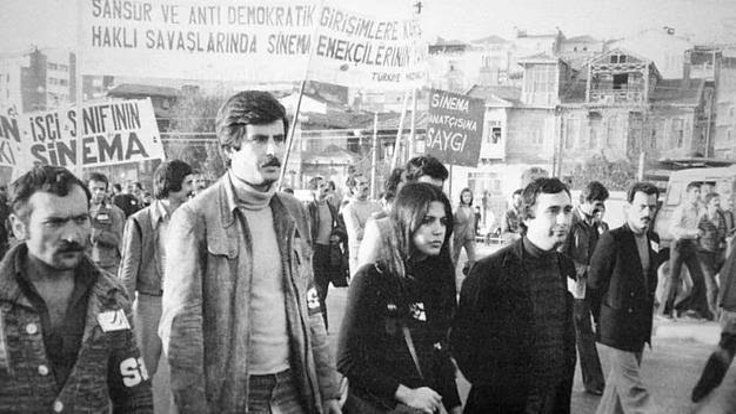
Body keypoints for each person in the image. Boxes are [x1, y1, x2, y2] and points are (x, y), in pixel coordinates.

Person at [159, 91, 340, 413]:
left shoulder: (294, 211)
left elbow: (311, 308)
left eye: (279, 139)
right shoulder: (195, 218)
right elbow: (181, 330)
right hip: (233, 393)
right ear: (229, 149)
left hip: (294, 387)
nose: (273, 151)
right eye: (259, 139)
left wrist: (326, 391)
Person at [0, 165, 153, 412]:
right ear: (18, 227)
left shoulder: (111, 297)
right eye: (54, 222)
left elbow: (135, 396)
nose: (72, 236)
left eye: (81, 220)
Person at [452, 177, 576, 413]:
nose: (563, 220)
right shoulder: (491, 271)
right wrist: (498, 388)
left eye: (567, 210)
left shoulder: (564, 266)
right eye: (553, 211)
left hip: (552, 401)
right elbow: (463, 343)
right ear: (527, 217)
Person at [338, 182, 461, 414]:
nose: (438, 230)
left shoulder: (438, 280)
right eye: (428, 220)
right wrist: (406, 394)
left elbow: (439, 354)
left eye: (443, 221)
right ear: (406, 221)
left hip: (423, 406)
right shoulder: (371, 279)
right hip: (380, 405)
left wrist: (454, 407)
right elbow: (347, 360)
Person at [587, 181, 662, 414]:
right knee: (634, 391)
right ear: (628, 208)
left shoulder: (654, 239)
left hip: (639, 327)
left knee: (617, 392)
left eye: (652, 207)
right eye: (642, 206)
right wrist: (602, 317)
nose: (647, 213)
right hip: (618, 326)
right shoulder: (613, 239)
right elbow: (594, 283)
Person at [119, 160, 194, 387]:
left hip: (183, 302)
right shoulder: (139, 221)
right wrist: (123, 311)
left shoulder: (193, 217)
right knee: (145, 365)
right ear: (172, 185)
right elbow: (129, 269)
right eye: (188, 183)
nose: (192, 189)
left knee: (185, 369)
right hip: (151, 302)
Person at [561, 181, 609, 396]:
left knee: (583, 333)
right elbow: (561, 256)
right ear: (586, 201)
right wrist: (582, 269)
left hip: (592, 285)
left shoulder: (597, 224)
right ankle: (594, 382)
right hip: (574, 287)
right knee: (583, 333)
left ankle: (593, 381)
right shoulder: (572, 221)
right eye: (597, 204)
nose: (600, 208)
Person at [358, 155, 449, 268]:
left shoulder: (441, 230)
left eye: (438, 190)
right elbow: (363, 275)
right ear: (409, 189)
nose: (433, 196)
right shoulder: (382, 230)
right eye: (425, 189)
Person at [692, 243, 736, 405]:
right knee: (725, 351)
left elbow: (725, 273)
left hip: (731, 305)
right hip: (733, 306)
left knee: (725, 350)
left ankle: (701, 394)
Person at [659, 181, 708, 319]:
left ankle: (688, 308)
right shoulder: (681, 209)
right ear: (688, 194)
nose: (698, 195)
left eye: (699, 192)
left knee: (699, 278)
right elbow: (673, 229)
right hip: (679, 245)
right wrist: (692, 232)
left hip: (691, 245)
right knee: (673, 279)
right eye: (695, 191)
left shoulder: (699, 209)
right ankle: (664, 312)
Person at [306, 176, 348, 332]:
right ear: (313, 190)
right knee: (319, 291)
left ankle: (321, 325)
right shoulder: (309, 208)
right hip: (315, 252)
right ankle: (321, 326)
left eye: (325, 185)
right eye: (321, 186)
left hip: (330, 252)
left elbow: (340, 226)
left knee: (323, 290)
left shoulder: (331, 207)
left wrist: (337, 235)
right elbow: (305, 230)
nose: (325, 188)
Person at [341, 173, 382, 276]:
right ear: (353, 189)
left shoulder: (376, 206)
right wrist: (374, 224)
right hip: (359, 257)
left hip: (377, 257)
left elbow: (384, 228)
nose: (366, 186)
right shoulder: (349, 209)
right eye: (361, 184)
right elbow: (357, 234)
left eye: (366, 183)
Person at [87, 172, 126, 276]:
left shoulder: (114, 212)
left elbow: (117, 238)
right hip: (86, 263)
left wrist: (97, 233)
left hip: (108, 265)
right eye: (94, 189)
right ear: (87, 189)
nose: (98, 192)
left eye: (102, 189)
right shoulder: (81, 211)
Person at [698, 192, 729, 319]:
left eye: (718, 201)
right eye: (715, 201)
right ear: (708, 204)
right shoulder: (701, 218)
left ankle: (717, 311)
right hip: (703, 254)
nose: (718, 203)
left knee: (724, 281)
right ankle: (713, 314)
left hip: (717, 254)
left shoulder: (721, 217)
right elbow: (694, 236)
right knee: (712, 286)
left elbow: (724, 234)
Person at [452, 188, 477, 273]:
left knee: (473, 259)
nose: (467, 198)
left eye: (469, 196)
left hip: (469, 238)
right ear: (461, 197)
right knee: (454, 259)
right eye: (465, 196)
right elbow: (451, 223)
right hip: (458, 237)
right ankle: (450, 277)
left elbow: (472, 226)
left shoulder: (472, 210)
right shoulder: (457, 209)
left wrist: (474, 239)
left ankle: (471, 276)